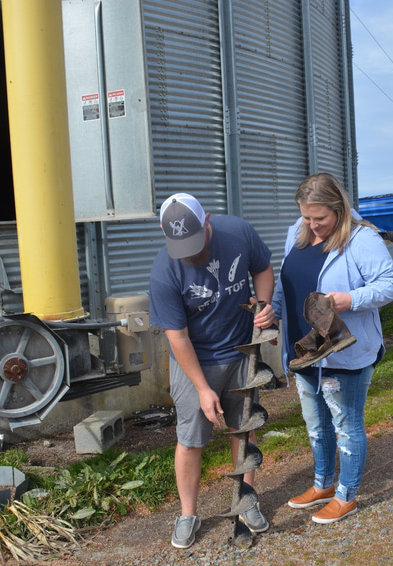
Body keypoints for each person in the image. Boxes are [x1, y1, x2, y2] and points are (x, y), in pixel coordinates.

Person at [270, 172, 393, 524]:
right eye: (306, 217)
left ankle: (347, 495)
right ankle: (323, 484)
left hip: (342, 352)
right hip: (304, 351)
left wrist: (351, 299)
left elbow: (390, 284)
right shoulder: (296, 233)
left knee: (346, 425)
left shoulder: (362, 239)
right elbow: (286, 285)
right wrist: (273, 313)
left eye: (320, 219)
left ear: (339, 209)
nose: (312, 226)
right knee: (316, 426)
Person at [149, 193, 275, 549]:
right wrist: (203, 388)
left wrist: (264, 307)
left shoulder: (237, 232)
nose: (189, 253)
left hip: (240, 351)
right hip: (194, 361)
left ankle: (245, 499)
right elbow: (178, 337)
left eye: (194, 241)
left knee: (244, 429)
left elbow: (262, 267)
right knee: (190, 440)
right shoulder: (164, 271)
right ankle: (188, 513)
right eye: (180, 245)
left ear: (208, 221)